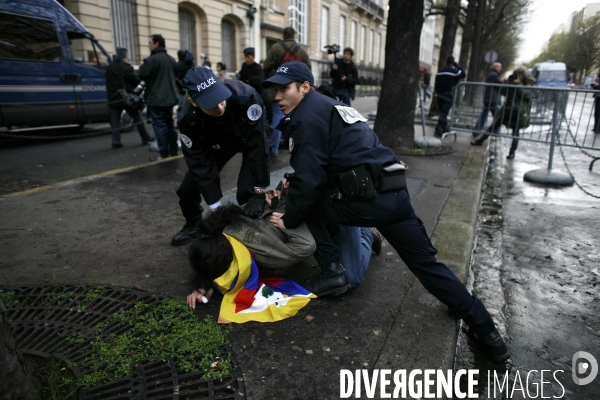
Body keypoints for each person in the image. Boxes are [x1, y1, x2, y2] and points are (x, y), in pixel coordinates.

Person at [261, 61, 509, 363]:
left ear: (304, 87)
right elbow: (333, 161)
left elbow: (311, 181)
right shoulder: (331, 106)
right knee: (426, 264)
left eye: (283, 89)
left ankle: (332, 272)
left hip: (365, 201)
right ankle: (487, 331)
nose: (277, 96)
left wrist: (289, 218)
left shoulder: (307, 117)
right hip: (394, 194)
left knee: (305, 206)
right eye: (275, 90)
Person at [186, 182, 382, 308]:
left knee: (352, 278)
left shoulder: (260, 249)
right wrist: (203, 285)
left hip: (324, 209)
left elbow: (305, 245)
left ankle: (362, 233)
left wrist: (282, 216)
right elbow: (206, 260)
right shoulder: (221, 227)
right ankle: (358, 234)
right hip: (311, 208)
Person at [170, 66, 270, 246]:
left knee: (247, 190)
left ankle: (254, 232)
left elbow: (258, 144)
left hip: (247, 138)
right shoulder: (188, 120)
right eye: (210, 102)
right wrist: (215, 206)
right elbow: (199, 163)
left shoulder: (246, 96)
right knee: (187, 189)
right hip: (214, 144)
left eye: (220, 97)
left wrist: (258, 188)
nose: (219, 105)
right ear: (193, 102)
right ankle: (193, 224)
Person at [263, 27, 310, 157]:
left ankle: (274, 148)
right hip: (298, 92)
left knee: (277, 118)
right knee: (301, 117)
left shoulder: (276, 48)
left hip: (276, 88)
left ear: (283, 35)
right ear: (294, 36)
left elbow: (266, 67)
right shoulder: (301, 50)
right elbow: (308, 70)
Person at [471, 66, 535, 159]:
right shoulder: (514, 83)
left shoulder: (527, 85)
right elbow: (503, 92)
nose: (518, 77)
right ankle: (480, 140)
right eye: (517, 75)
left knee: (515, 132)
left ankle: (512, 152)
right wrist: (508, 83)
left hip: (518, 112)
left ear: (524, 76)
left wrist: (518, 84)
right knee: (494, 125)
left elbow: (524, 94)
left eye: (520, 76)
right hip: (507, 109)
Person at [139, 34, 179, 159]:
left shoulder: (152, 60)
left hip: (156, 98)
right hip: (169, 97)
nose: (148, 44)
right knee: (170, 124)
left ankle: (164, 153)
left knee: (160, 125)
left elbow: (142, 74)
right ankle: (173, 150)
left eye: (150, 42)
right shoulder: (171, 59)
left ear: (156, 43)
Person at [105, 47, 154, 149]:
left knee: (115, 121)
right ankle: (145, 137)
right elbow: (136, 80)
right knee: (137, 117)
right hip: (126, 97)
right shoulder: (126, 67)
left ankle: (116, 141)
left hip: (114, 97)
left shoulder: (109, 67)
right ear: (125, 57)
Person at [434, 56, 465, 137]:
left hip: (439, 94)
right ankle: (439, 129)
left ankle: (444, 127)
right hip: (448, 94)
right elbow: (463, 74)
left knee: (442, 111)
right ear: (452, 63)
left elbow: (436, 82)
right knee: (444, 112)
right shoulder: (454, 72)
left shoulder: (440, 71)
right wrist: (458, 66)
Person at [472, 62, 503, 136]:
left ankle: (477, 130)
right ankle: (495, 131)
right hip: (492, 99)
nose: (500, 68)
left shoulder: (492, 74)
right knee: (497, 116)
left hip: (489, 98)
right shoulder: (494, 75)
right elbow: (501, 84)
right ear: (495, 67)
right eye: (499, 67)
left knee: (484, 115)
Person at [176, 50, 195, 114]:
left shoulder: (178, 64)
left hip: (181, 88)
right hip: (190, 87)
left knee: (180, 106)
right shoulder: (191, 64)